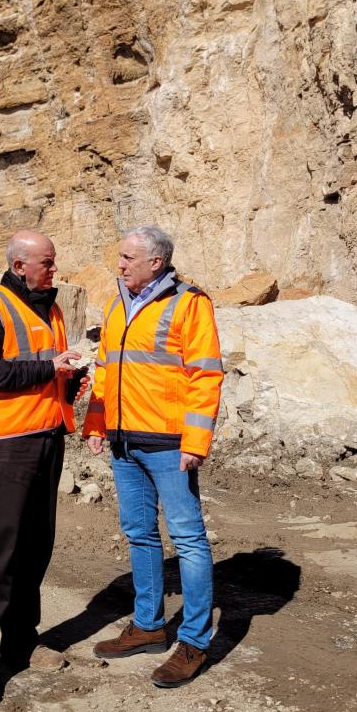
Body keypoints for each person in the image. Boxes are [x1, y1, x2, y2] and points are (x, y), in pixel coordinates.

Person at [83, 225, 223, 688]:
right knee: (139, 534)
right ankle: (147, 626)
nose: (119, 266)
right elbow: (105, 367)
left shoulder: (190, 303)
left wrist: (195, 443)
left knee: (188, 540)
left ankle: (194, 643)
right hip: (124, 442)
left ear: (155, 262)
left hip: (168, 445)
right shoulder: (118, 302)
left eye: (127, 258)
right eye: (120, 258)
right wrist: (96, 423)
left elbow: (206, 376)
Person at [0, 230, 86, 709]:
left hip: (48, 438)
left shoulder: (49, 308)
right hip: (8, 443)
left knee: (34, 545)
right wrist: (50, 368)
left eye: (53, 261)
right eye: (47, 263)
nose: (54, 269)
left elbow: (48, 372)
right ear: (19, 266)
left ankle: (20, 640)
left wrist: (69, 377)